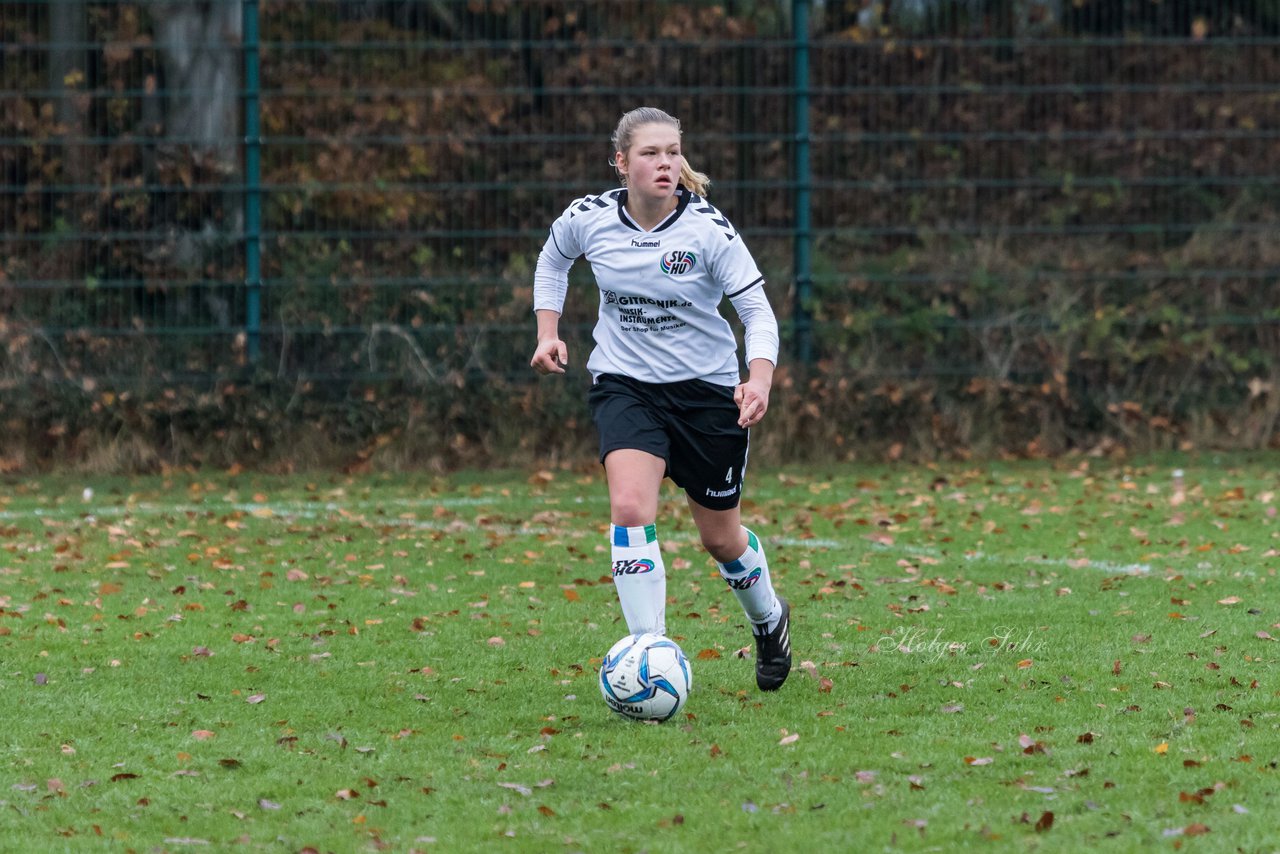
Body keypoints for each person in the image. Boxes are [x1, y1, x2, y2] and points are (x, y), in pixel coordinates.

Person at [529, 106, 791, 691]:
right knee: (629, 509)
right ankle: (648, 657)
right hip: (625, 386)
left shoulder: (708, 231)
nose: (666, 163)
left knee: (720, 539)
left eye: (673, 151)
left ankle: (770, 620)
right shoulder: (589, 217)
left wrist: (759, 378)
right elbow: (553, 258)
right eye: (651, 153)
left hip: (706, 396)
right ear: (621, 162)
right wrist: (548, 332)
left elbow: (756, 312)